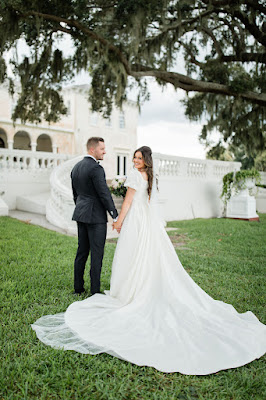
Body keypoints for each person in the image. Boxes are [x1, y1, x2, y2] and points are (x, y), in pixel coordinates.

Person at [32, 146, 266, 375]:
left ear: (145, 160)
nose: (134, 161)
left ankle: (129, 292)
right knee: (147, 256)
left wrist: (118, 221)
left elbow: (128, 202)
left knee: (128, 255)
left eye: (138, 158)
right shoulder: (150, 176)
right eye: (134, 157)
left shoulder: (134, 175)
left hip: (135, 221)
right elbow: (145, 201)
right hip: (148, 223)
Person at [70, 137, 118, 295]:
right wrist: (114, 215)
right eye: (102, 149)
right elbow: (104, 194)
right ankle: (95, 292)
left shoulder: (76, 167)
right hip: (96, 217)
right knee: (97, 254)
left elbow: (75, 195)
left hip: (80, 214)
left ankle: (78, 288)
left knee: (82, 252)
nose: (105, 151)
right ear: (92, 150)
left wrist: (81, 207)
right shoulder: (96, 169)